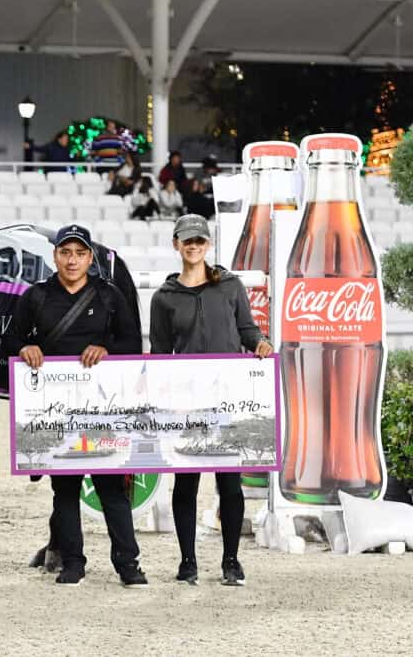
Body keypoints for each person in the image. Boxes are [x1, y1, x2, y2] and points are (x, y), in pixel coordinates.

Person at [7, 224, 147, 588]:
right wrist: (25, 348)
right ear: (55, 255)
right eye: (66, 252)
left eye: (80, 253)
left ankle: (128, 565)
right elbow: (9, 341)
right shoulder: (35, 297)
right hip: (56, 411)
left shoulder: (110, 296)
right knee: (64, 491)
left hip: (101, 409)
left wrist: (107, 350)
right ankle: (73, 563)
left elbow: (133, 343)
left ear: (90, 257)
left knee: (111, 489)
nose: (72, 260)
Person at [148, 214, 273, 587]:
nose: (193, 246)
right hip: (187, 403)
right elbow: (159, 354)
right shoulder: (163, 299)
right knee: (185, 483)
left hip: (228, 397)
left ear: (207, 245)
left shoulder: (231, 287)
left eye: (199, 241)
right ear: (176, 244)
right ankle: (188, 561)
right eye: (187, 241)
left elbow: (247, 329)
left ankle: (231, 561)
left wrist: (260, 343)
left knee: (230, 484)